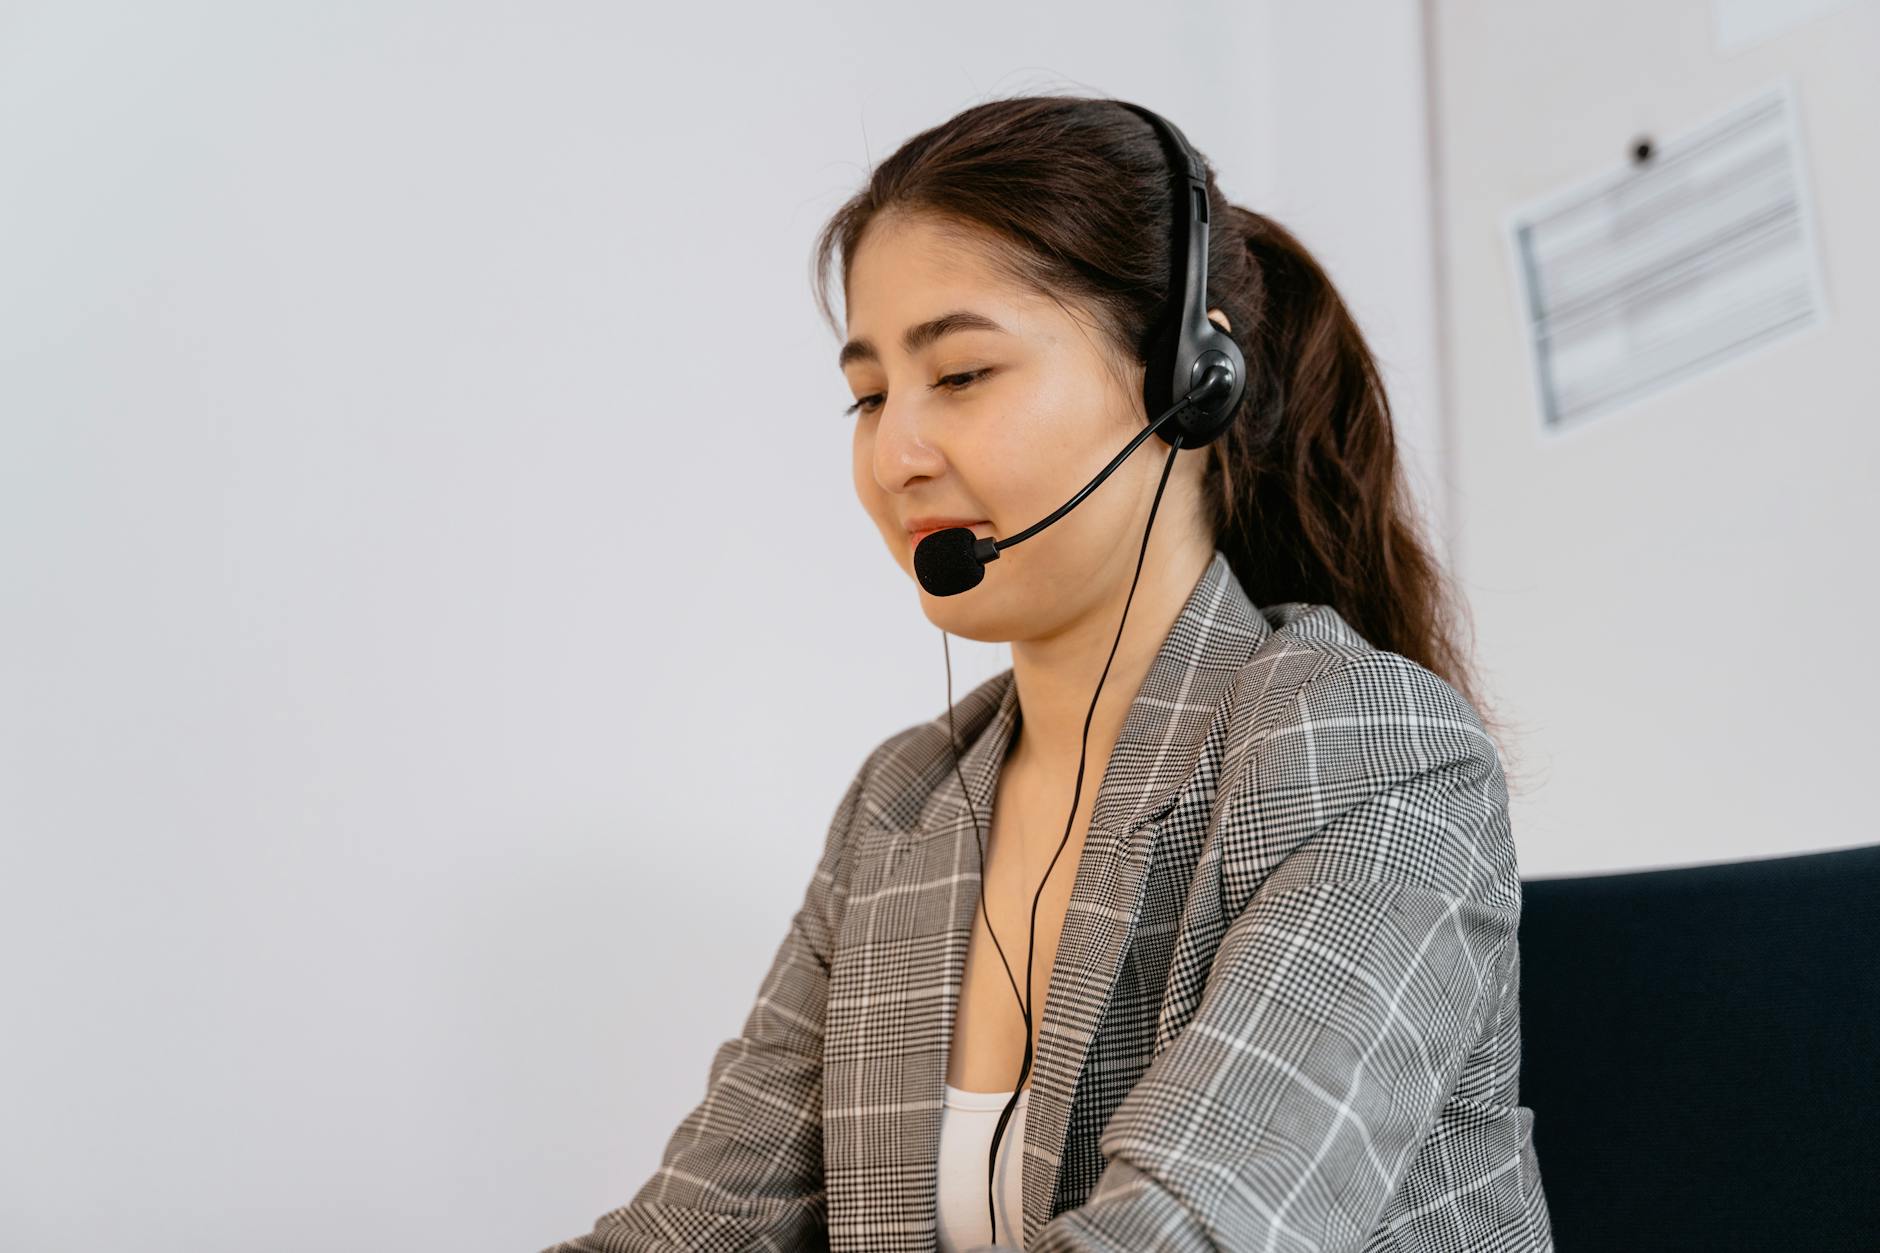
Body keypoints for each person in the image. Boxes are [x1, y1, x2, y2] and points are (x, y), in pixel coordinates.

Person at [541, 93, 1552, 1252]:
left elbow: (1185, 1234)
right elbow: (694, 1229)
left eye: (960, 375)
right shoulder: (901, 807)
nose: (894, 455)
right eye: (868, 395)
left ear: (1185, 383)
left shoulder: (1368, 749)